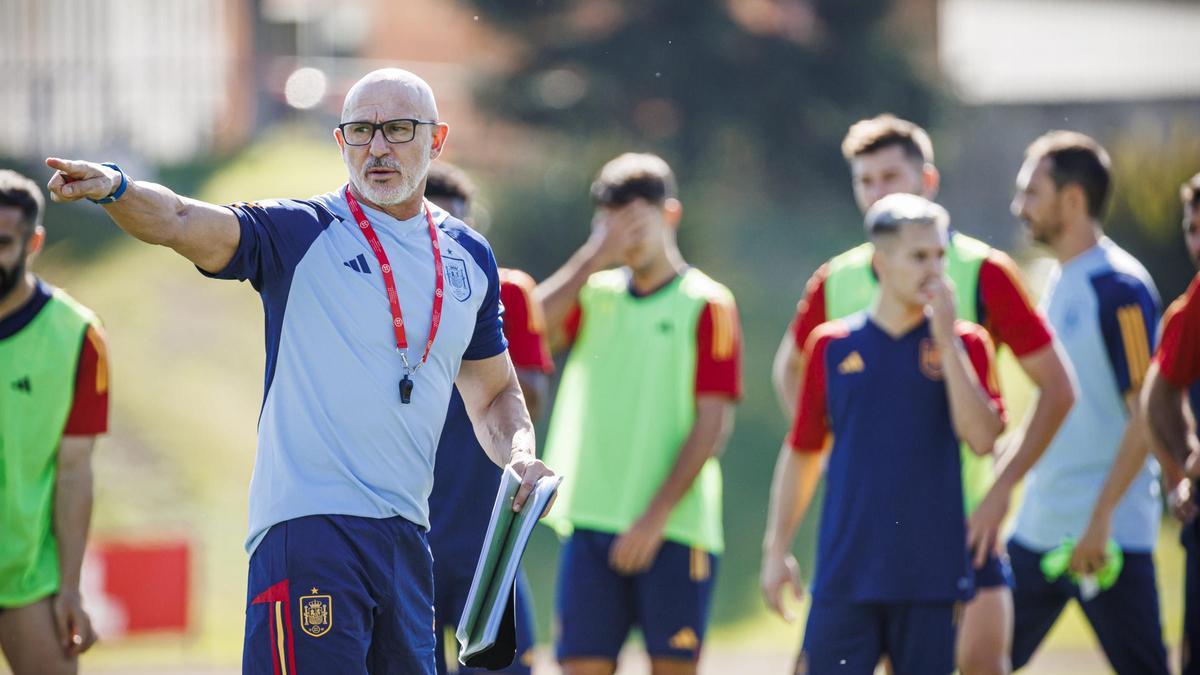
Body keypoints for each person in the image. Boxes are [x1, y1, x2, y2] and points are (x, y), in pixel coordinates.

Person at [44, 68, 554, 675]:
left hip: (409, 539)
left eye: (397, 130)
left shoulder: (469, 256)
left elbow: (495, 390)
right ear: (341, 142)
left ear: (436, 139)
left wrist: (519, 453)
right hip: (310, 531)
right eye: (360, 131)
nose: (377, 148)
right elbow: (182, 220)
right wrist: (116, 188)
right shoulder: (300, 229)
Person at [770, 114, 1073, 675]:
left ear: (927, 181)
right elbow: (794, 381)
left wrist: (1001, 490)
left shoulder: (983, 274)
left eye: (889, 177)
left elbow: (1054, 391)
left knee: (982, 662)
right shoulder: (836, 281)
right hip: (859, 537)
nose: (876, 192)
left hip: (954, 530)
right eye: (865, 181)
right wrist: (847, 452)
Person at [761, 193, 1006, 675]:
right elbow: (802, 453)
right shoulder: (831, 346)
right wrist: (776, 550)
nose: (934, 269)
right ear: (881, 262)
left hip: (932, 581)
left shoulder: (969, 344)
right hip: (845, 576)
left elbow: (981, 438)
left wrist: (946, 342)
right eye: (919, 256)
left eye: (940, 255)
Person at [536, 153, 741, 675]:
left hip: (673, 530)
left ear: (670, 215)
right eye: (612, 222)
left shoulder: (707, 303)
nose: (625, 236)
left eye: (637, 221)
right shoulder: (595, 293)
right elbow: (527, 329)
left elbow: (712, 424)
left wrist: (654, 519)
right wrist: (590, 257)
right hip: (591, 521)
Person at [1007, 131, 1168, 673]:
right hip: (1042, 525)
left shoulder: (1120, 287)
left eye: (1031, 192)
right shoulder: (1054, 279)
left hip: (1111, 537)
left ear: (1072, 200)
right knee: (980, 659)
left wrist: (1101, 517)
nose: (1018, 206)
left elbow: (1148, 413)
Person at [424, 162, 553, 674]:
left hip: (486, 532)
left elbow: (530, 396)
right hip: (412, 535)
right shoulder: (380, 304)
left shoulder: (505, 292)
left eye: (457, 227)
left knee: (504, 667)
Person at [0, 170, 107, 674]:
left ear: (33, 242)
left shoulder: (77, 335)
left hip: (27, 577)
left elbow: (74, 472)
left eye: (2, 242)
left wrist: (70, 586)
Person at [1142, 171, 1200, 674]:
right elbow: (1156, 396)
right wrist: (1183, 469)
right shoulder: (1192, 307)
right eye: (1192, 228)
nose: (1197, 242)